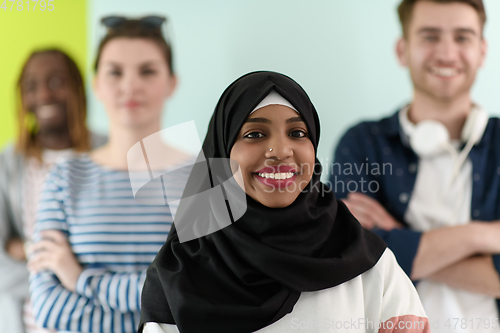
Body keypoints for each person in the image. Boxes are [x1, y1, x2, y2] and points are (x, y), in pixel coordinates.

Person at [139, 71, 430, 333]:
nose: (280, 150)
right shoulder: (179, 271)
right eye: (254, 134)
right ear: (222, 154)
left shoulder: (368, 261)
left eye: (297, 133)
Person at [331, 0, 500, 331]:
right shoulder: (362, 143)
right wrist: (484, 236)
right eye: (430, 36)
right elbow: (351, 260)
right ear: (402, 50)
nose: (447, 53)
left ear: (482, 51)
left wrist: (394, 239)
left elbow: (373, 251)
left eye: (462, 37)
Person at [27, 16, 192, 332]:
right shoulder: (64, 178)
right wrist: (152, 305)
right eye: (115, 72)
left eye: (147, 70)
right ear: (96, 84)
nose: (130, 85)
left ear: (171, 82)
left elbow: (196, 296)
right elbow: (48, 308)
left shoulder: (202, 179)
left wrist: (79, 279)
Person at [0, 48, 107, 333]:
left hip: (98, 320)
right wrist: (64, 277)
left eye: (56, 82)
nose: (44, 96)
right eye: (31, 87)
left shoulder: (112, 154)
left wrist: (25, 250)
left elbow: (123, 252)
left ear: (78, 89)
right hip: (25, 321)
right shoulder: (6, 164)